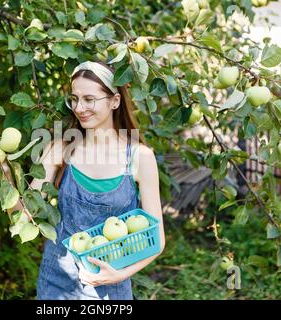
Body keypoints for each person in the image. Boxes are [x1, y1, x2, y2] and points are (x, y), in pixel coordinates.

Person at [19, 60, 165, 299]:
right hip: (58, 282)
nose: (79, 107)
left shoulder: (140, 158)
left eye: (89, 99)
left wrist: (117, 276)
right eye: (74, 99)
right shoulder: (61, 150)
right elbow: (26, 214)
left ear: (114, 101)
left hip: (110, 287)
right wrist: (3, 171)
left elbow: (157, 240)